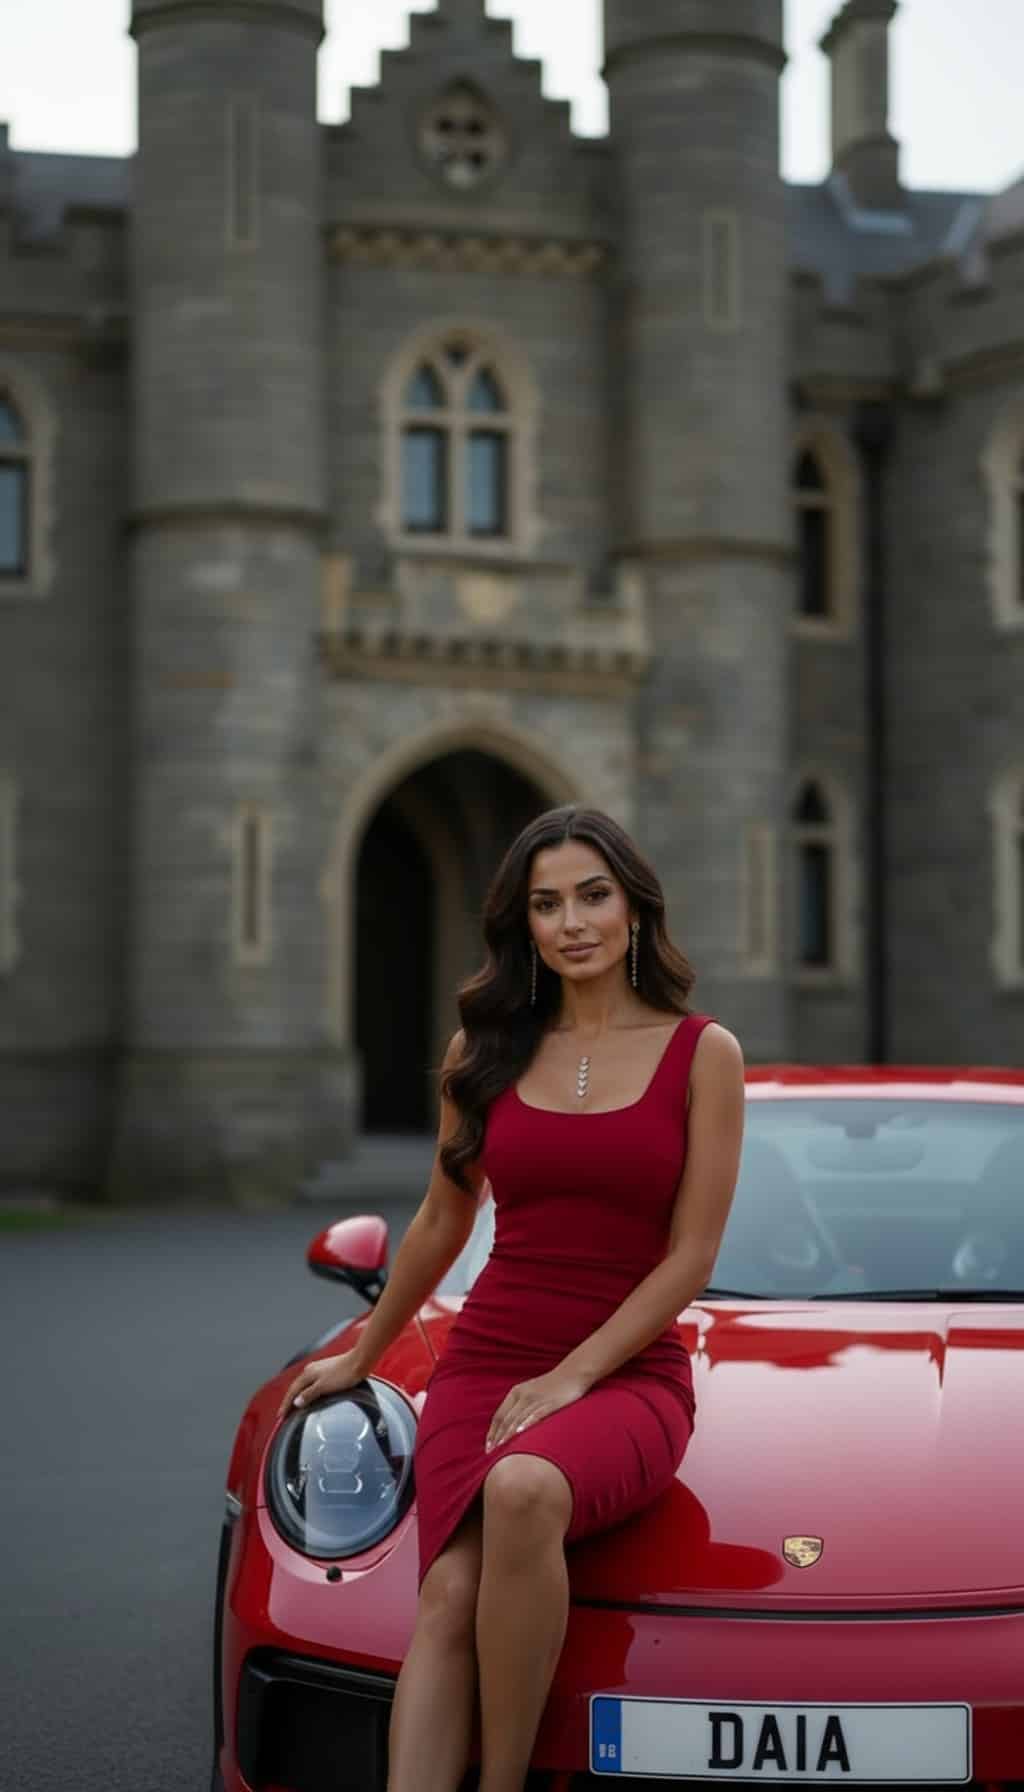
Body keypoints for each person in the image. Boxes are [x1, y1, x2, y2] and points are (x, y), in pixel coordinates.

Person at [277, 805, 745, 1792]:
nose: (571, 921)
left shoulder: (704, 1053)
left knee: (525, 1485)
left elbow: (691, 1254)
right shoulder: (481, 1053)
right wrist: (364, 1354)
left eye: (591, 895)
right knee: (446, 1594)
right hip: (487, 1359)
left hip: (624, 1374)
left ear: (633, 907)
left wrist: (573, 1377)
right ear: (521, 927)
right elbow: (442, 1225)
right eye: (545, 903)